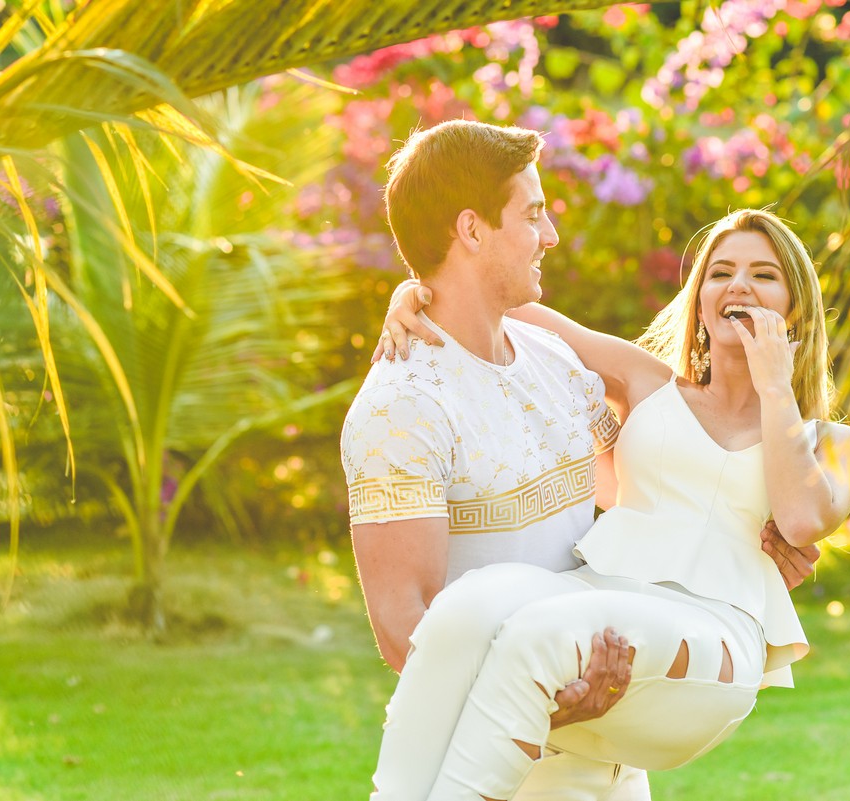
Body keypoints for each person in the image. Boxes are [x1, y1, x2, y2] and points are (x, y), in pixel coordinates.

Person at [341, 120, 823, 801]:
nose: (552, 236)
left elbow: (645, 489)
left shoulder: (557, 364)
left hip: (614, 748)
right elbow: (405, 631)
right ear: (472, 230)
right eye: (534, 215)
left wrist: (745, 544)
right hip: (511, 759)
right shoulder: (401, 405)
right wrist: (543, 696)